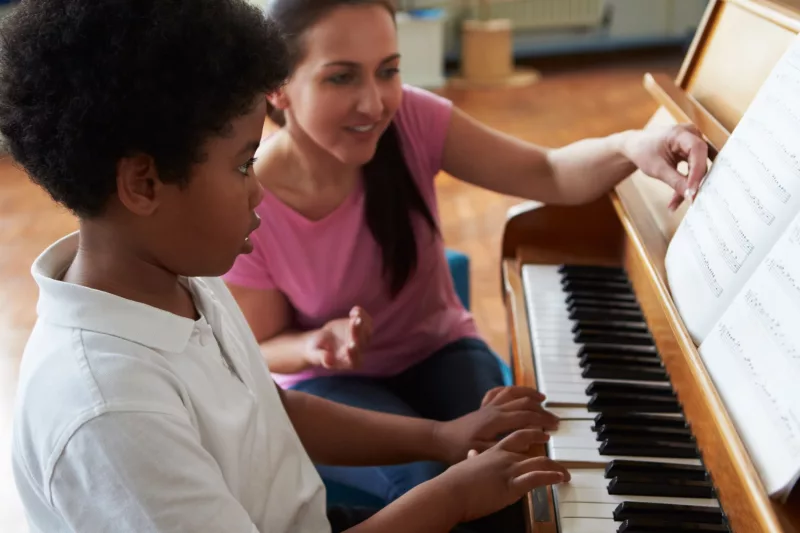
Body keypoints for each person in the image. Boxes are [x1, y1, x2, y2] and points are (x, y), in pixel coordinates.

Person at [1, 1, 571, 532]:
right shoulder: (111, 413)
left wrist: (442, 437)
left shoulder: (179, 277)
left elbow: (271, 410)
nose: (258, 192)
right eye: (243, 165)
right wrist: (453, 498)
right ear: (143, 184)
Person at [223, 0, 709, 508]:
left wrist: (631, 145)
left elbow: (548, 172)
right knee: (428, 486)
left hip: (439, 349)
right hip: (330, 384)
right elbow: (260, 347)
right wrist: (315, 344)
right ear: (278, 88)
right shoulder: (251, 198)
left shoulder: (411, 118)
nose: (374, 103)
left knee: (510, 460)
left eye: (388, 71)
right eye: (341, 77)